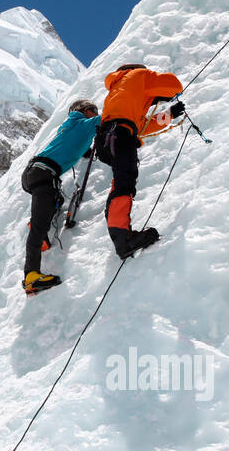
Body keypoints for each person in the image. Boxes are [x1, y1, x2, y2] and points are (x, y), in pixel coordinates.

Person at [94, 63, 184, 259]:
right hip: (120, 133)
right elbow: (174, 85)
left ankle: (118, 231)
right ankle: (122, 238)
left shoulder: (119, 93)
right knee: (124, 182)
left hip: (108, 137)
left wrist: (168, 115)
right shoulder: (138, 74)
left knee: (121, 181)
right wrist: (159, 93)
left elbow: (142, 126)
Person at [21, 99, 101, 294]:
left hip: (37, 172)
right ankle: (31, 275)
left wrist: (86, 151)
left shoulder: (71, 127)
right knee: (41, 222)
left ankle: (41, 230)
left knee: (54, 202)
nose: (95, 112)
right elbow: (110, 118)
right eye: (92, 110)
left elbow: (75, 148)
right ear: (84, 111)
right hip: (45, 173)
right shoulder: (83, 124)